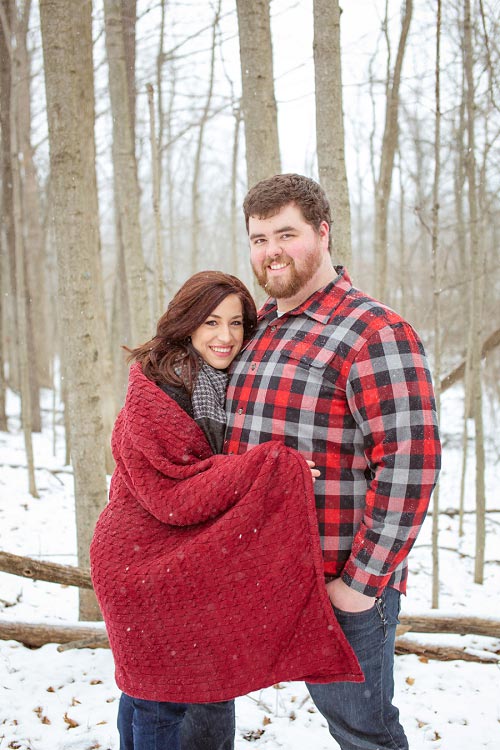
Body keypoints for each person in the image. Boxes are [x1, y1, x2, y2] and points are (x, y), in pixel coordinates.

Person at [90, 270, 363, 750]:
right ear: (187, 323)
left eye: (237, 324)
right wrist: (272, 463)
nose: (225, 337)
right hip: (137, 564)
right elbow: (176, 491)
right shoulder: (163, 385)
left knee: (144, 693)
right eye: (211, 322)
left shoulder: (214, 379)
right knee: (158, 700)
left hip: (174, 563)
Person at [220, 174, 441, 750]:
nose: (271, 252)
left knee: (362, 732)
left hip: (337, 584)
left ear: (322, 232)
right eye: (258, 238)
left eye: (286, 234)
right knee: (198, 707)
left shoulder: (374, 332)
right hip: (253, 573)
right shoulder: (257, 328)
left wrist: (360, 585)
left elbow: (411, 465)